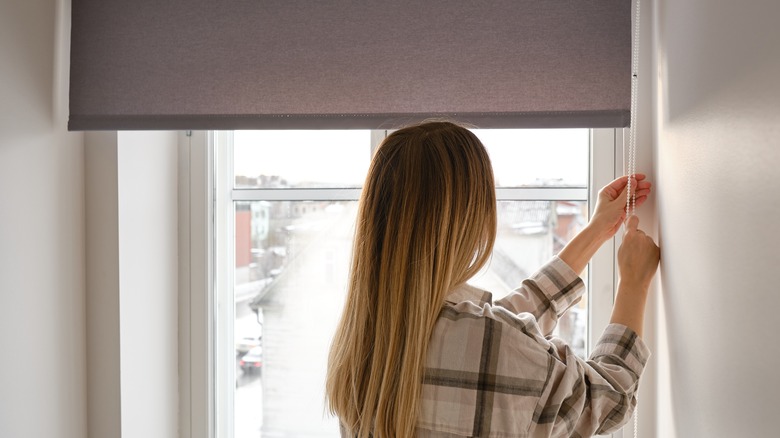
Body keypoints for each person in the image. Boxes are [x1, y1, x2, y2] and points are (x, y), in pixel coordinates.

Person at [326, 121, 660, 438]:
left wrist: (595, 231)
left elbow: (498, 332)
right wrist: (633, 283)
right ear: (470, 218)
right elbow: (610, 397)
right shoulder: (496, 342)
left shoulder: (362, 344)